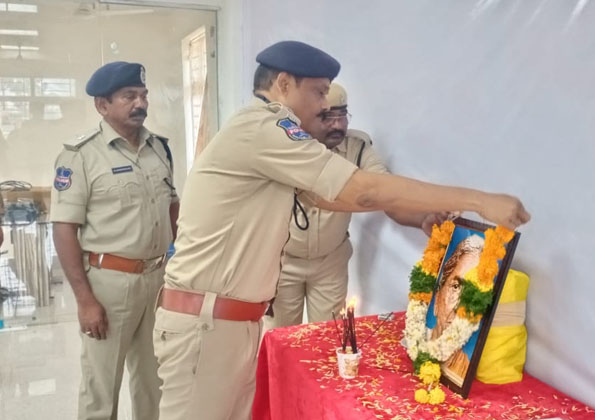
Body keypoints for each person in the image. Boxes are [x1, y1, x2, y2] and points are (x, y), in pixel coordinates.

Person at [154, 40, 530, 420]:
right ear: (284, 84)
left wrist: (423, 213)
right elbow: (362, 192)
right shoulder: (264, 127)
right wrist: (480, 199)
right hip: (208, 325)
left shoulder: (269, 134)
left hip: (228, 323)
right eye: (317, 92)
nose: (323, 105)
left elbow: (335, 199)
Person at [51, 61, 179, 420]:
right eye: (128, 96)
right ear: (102, 105)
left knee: (154, 380)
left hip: (156, 280)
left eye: (143, 95)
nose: (140, 103)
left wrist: (176, 266)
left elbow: (172, 208)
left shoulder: (159, 150)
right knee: (101, 385)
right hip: (109, 284)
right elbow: (63, 229)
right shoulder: (80, 155)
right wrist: (85, 300)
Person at [267, 83, 450, 328]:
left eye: (342, 115)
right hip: (284, 262)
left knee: (330, 339)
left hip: (330, 264)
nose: (338, 125)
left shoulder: (358, 147)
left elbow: (386, 192)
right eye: (327, 116)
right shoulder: (282, 148)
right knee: (282, 338)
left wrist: (422, 217)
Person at [432, 234, 485, 384]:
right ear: (437, 299)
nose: (458, 307)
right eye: (455, 287)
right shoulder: (418, 344)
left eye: (471, 292)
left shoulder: (462, 372)